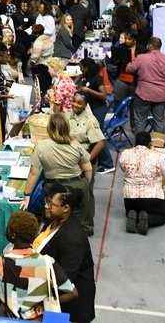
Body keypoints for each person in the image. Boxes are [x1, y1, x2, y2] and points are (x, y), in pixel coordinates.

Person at [0, 210, 78, 319]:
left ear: (13, 235)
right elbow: (73, 293)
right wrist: (43, 302)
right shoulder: (48, 263)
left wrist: (5, 300)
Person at [36, 186, 96, 322]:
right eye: (47, 202)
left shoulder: (73, 239)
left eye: (51, 204)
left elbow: (64, 279)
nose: (46, 206)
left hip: (69, 309)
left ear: (66, 208)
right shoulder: (52, 222)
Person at [26, 114, 93, 235]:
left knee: (54, 225)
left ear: (49, 128)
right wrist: (84, 184)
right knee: (75, 223)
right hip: (78, 185)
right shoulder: (75, 144)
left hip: (55, 189)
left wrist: (27, 195)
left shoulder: (41, 145)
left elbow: (33, 174)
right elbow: (88, 169)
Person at [67, 93, 107, 236]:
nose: (75, 105)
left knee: (86, 193)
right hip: (69, 163)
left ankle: (86, 226)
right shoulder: (67, 115)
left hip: (84, 163)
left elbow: (100, 143)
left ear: (85, 105)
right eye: (73, 101)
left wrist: (87, 160)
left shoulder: (90, 121)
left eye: (79, 103)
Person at [125, 37, 165, 134]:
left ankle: (140, 145)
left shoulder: (141, 58)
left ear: (150, 45)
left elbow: (129, 69)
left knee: (140, 121)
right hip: (161, 97)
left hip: (143, 95)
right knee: (159, 121)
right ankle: (159, 146)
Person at [119, 131, 165, 235]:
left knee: (131, 210)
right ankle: (148, 219)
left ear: (135, 143)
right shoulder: (158, 156)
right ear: (149, 144)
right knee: (163, 216)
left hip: (131, 199)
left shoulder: (125, 154)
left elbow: (123, 168)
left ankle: (134, 215)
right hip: (153, 198)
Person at [75, 58, 114, 173]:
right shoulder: (86, 76)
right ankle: (96, 158)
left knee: (98, 136)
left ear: (87, 68)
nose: (80, 69)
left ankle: (108, 164)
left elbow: (104, 95)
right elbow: (73, 83)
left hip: (98, 109)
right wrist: (81, 76)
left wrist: (88, 90)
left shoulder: (97, 78)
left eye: (82, 67)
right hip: (90, 108)